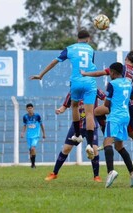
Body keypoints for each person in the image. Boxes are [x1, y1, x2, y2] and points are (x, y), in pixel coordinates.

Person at [30, 29, 97, 160]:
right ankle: (89, 144)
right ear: (88, 38)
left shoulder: (70, 48)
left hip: (76, 81)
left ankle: (77, 135)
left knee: (75, 106)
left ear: (77, 38)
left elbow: (54, 61)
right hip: (90, 81)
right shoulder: (91, 49)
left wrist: (41, 75)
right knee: (89, 113)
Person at [81, 49, 133, 160]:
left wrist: (85, 74)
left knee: (132, 133)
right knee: (98, 112)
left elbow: (99, 73)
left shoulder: (121, 68)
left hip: (120, 105)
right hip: (128, 105)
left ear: (126, 58)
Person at [45, 89, 106, 182]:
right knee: (66, 149)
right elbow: (65, 106)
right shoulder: (73, 91)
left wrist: (100, 109)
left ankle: (96, 176)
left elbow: (106, 98)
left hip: (91, 125)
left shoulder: (94, 89)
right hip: (77, 126)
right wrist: (60, 110)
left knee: (94, 149)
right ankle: (54, 173)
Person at [103, 62, 133, 188]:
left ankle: (111, 171)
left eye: (110, 73)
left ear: (112, 72)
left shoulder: (112, 84)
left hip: (115, 116)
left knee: (107, 143)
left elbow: (106, 105)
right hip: (126, 116)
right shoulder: (128, 83)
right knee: (119, 146)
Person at [21, 103, 46, 168]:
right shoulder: (25, 117)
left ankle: (33, 164)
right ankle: (32, 163)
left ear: (33, 108)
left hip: (36, 135)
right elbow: (24, 125)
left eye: (31, 108)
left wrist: (44, 133)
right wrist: (22, 133)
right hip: (29, 136)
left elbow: (41, 124)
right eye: (28, 108)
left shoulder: (37, 116)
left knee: (33, 148)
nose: (29, 109)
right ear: (26, 109)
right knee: (30, 150)